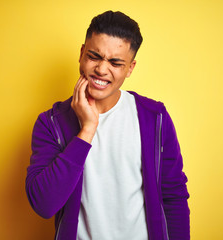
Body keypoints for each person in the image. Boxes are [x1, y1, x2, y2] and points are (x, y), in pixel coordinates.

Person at [25, 10, 190, 240]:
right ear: (82, 53)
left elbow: (173, 196)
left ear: (130, 68)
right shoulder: (51, 123)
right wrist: (87, 130)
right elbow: (43, 204)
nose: (102, 70)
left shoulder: (154, 117)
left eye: (115, 62)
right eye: (94, 56)